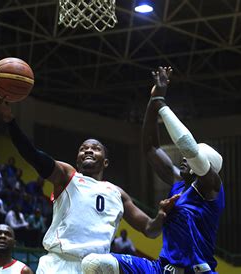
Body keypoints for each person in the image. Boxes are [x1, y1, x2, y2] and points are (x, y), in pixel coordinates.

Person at [0, 83, 177, 274]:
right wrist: (9, 120)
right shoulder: (67, 176)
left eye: (95, 148)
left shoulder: (117, 193)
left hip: (96, 267)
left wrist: (161, 215)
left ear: (105, 162)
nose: (88, 149)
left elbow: (150, 230)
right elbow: (33, 155)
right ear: (77, 159)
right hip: (59, 264)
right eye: (83, 148)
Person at [81, 67, 224, 274]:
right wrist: (154, 99)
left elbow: (189, 148)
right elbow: (150, 148)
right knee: (94, 264)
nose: (183, 158)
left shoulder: (212, 188)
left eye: (190, 159)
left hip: (198, 271)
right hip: (162, 269)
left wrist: (162, 106)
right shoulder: (178, 181)